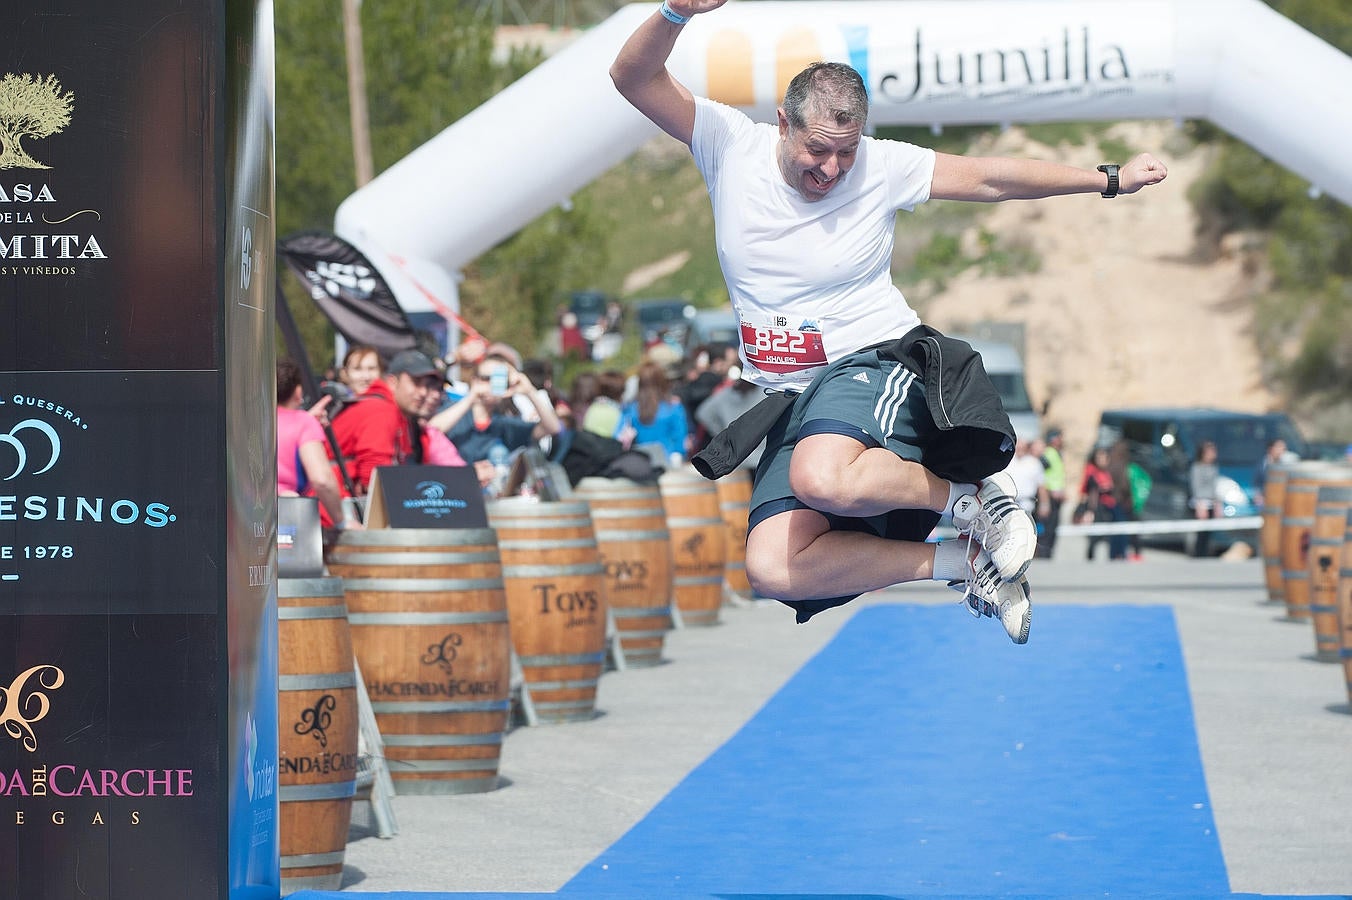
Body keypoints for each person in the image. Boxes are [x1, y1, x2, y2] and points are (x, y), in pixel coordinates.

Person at [610, 2, 1167, 642]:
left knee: (821, 476)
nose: (831, 170)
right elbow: (633, 78)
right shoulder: (728, 144)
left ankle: (983, 499)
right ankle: (969, 562)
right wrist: (673, 12)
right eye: (818, 151)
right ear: (782, 122)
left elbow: (989, 178)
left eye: (845, 153)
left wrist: (1108, 179)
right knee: (773, 568)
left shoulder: (881, 166)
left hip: (873, 361)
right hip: (791, 395)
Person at [330, 349, 446, 495]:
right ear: (392, 382)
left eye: (428, 385)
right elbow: (374, 479)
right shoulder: (381, 410)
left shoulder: (400, 415)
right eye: (416, 382)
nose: (423, 392)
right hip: (336, 511)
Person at [426, 349, 563, 465]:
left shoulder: (504, 424)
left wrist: (529, 391)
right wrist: (472, 397)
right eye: (487, 378)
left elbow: (552, 428)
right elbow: (430, 431)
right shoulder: (452, 409)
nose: (492, 385)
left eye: (499, 379)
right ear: (475, 379)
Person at [276, 359, 351, 528]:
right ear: (297, 391)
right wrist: (341, 521)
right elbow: (322, 479)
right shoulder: (303, 423)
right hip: (287, 514)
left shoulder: (253, 420)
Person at [616, 360, 690, 468]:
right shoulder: (673, 407)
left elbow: (619, 435)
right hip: (667, 462)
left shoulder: (630, 408)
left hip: (639, 462)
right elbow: (680, 440)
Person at [1078, 446, 1125, 561]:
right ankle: (1090, 561)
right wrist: (1089, 511)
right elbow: (1090, 493)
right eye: (1099, 457)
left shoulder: (1108, 472)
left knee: (1109, 537)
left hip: (1108, 508)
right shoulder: (1092, 473)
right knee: (1094, 538)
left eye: (1103, 457)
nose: (1101, 460)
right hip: (1096, 509)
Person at [1036, 428, 1067, 559]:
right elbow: (1042, 476)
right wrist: (1049, 493)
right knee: (1046, 528)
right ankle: (1043, 554)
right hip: (1049, 496)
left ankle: (1048, 553)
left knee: (1053, 527)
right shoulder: (1048, 454)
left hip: (1057, 496)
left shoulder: (1056, 453)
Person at [1189, 439, 1221, 558]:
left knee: (1208, 533)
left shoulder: (1213, 467)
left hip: (1211, 502)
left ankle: (1205, 555)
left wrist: (1217, 502)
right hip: (1201, 503)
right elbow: (1196, 487)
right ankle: (1198, 555)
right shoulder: (1197, 467)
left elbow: (1214, 487)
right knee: (1201, 533)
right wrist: (1200, 504)